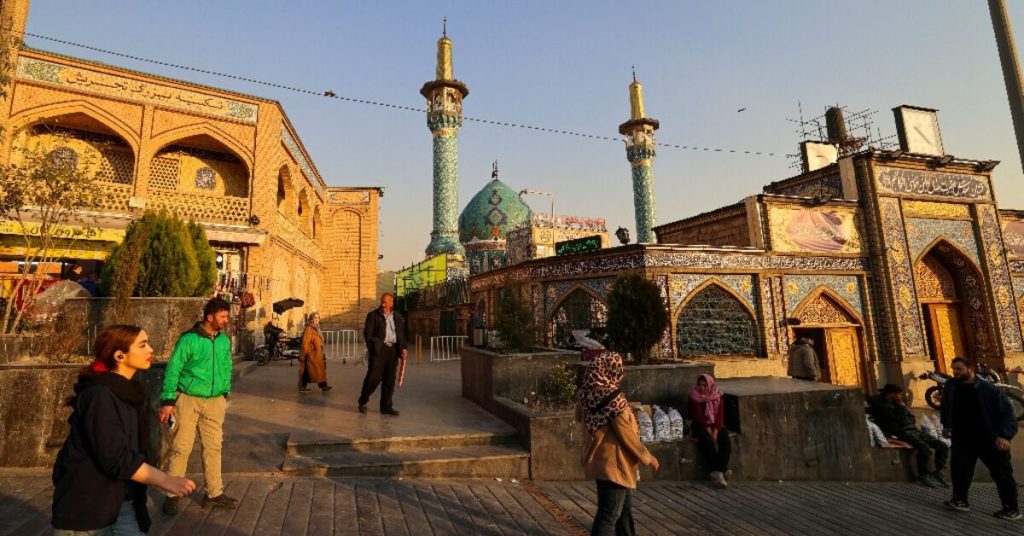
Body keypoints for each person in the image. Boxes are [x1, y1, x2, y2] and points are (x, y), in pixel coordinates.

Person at [52, 325, 195, 535]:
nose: (151, 350)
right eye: (142, 345)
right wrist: (165, 480)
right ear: (119, 355)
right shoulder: (99, 396)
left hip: (120, 502)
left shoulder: (127, 392)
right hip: (87, 509)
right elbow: (115, 457)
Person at [159, 298, 238, 514]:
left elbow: (227, 366)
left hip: (214, 401)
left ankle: (213, 493)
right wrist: (168, 400)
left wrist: (224, 392)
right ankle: (172, 494)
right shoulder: (188, 340)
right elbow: (173, 369)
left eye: (227, 316)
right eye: (222, 316)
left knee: (214, 447)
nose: (226, 320)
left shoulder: (223, 341)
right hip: (188, 399)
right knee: (181, 447)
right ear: (209, 317)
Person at [576, 350, 659, 536]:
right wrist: (647, 457)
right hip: (616, 463)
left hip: (600, 461)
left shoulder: (585, 393)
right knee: (609, 514)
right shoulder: (613, 399)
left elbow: (578, 417)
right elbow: (626, 434)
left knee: (623, 512)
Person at [940, 357, 1020, 520]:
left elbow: (1007, 414)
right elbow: (946, 406)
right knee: (960, 469)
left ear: (970, 369)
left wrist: (1005, 436)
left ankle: (1011, 508)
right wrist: (946, 425)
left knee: (1001, 473)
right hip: (962, 437)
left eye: (959, 369)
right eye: (953, 369)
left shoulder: (989, 390)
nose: (955, 372)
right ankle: (960, 500)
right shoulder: (951, 386)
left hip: (988, 438)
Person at [868, 384, 948, 488]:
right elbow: (896, 419)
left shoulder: (896, 403)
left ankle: (939, 471)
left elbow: (910, 417)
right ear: (891, 394)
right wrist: (901, 408)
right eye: (898, 394)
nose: (900, 397)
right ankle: (923, 474)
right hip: (899, 431)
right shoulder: (882, 405)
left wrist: (904, 411)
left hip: (911, 429)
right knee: (924, 448)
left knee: (942, 446)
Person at [359, 293, 407, 416]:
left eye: (386, 302)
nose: (383, 304)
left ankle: (386, 406)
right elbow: (367, 334)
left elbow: (401, 334)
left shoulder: (397, 316)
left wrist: (403, 347)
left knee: (389, 380)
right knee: (373, 378)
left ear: (392, 303)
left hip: (393, 350)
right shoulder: (373, 316)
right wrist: (373, 348)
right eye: (382, 302)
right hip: (379, 351)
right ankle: (363, 401)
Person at [688, 373, 731, 488]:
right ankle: (722, 470)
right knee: (707, 440)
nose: (702, 387)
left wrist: (716, 431)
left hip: (714, 424)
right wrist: (709, 430)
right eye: (700, 385)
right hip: (699, 424)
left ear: (710, 385)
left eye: (704, 385)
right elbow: (698, 416)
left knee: (725, 438)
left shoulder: (717, 395)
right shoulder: (694, 396)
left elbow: (720, 416)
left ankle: (719, 470)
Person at [299, 312, 331, 393]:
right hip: (311, 354)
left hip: (317, 354)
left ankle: (323, 385)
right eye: (315, 318)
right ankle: (303, 386)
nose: (317, 319)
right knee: (308, 370)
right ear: (311, 319)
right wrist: (305, 353)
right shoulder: (309, 329)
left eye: (318, 318)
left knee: (318, 370)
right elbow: (306, 342)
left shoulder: (317, 329)